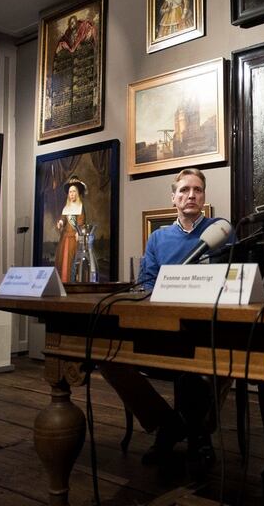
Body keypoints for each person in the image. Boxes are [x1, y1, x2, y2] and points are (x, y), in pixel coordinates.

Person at [103, 168, 228, 472]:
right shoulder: (158, 238)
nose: (191, 195)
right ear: (173, 198)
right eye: (184, 190)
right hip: (161, 326)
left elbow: (233, 277)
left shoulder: (221, 231)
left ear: (204, 196)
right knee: (108, 357)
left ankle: (199, 436)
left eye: (197, 190)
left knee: (197, 365)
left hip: (207, 327)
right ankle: (167, 423)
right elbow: (146, 283)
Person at [53, 176, 86, 284]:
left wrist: (78, 232)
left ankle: (70, 282)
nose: (71, 194)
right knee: (62, 260)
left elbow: (81, 222)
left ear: (77, 193)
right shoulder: (66, 207)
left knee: (71, 261)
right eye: (70, 192)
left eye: (73, 191)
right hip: (64, 238)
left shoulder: (80, 206)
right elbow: (63, 218)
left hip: (74, 239)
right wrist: (61, 222)